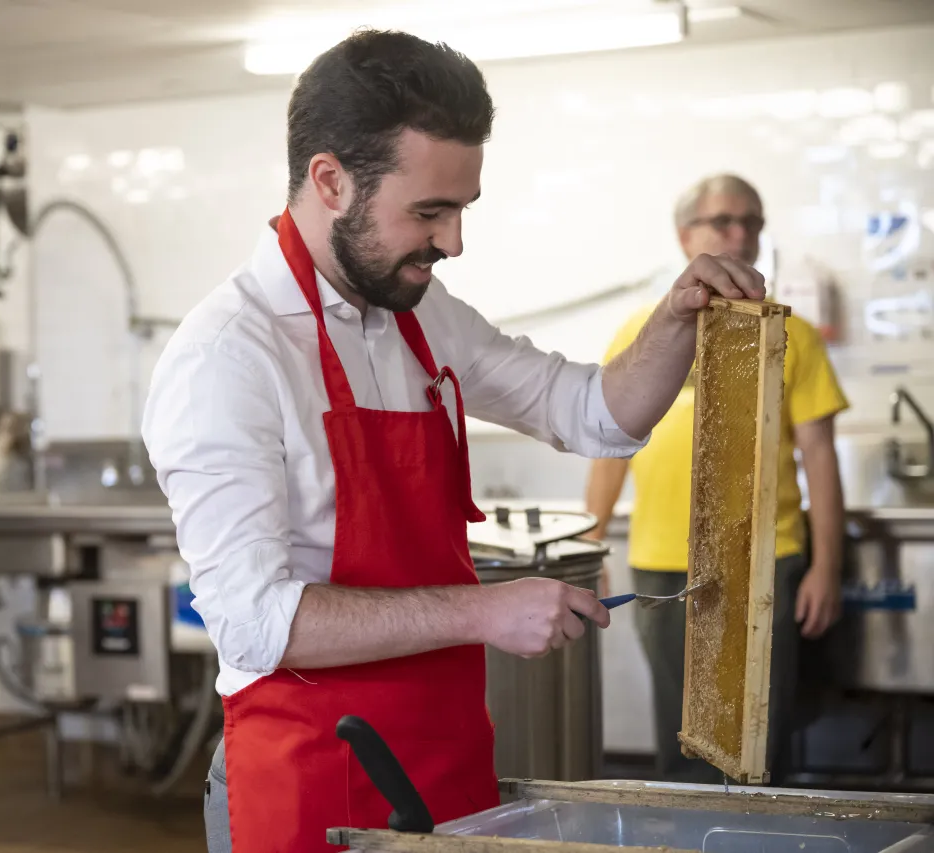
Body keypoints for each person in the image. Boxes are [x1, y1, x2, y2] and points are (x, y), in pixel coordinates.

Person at [142, 33, 766, 853]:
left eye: (462, 208)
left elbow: (592, 413)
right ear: (331, 181)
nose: (454, 241)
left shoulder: (419, 316)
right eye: (429, 211)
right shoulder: (229, 354)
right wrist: (485, 608)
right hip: (312, 774)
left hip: (444, 762)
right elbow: (259, 621)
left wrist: (674, 318)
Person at [584, 174, 849, 785]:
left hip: (762, 561)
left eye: (752, 222)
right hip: (662, 563)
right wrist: (591, 539)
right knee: (681, 741)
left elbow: (820, 462)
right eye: (724, 221)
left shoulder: (792, 336)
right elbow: (608, 447)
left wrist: (825, 566)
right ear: (686, 238)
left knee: (755, 736)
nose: (741, 234)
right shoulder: (642, 333)